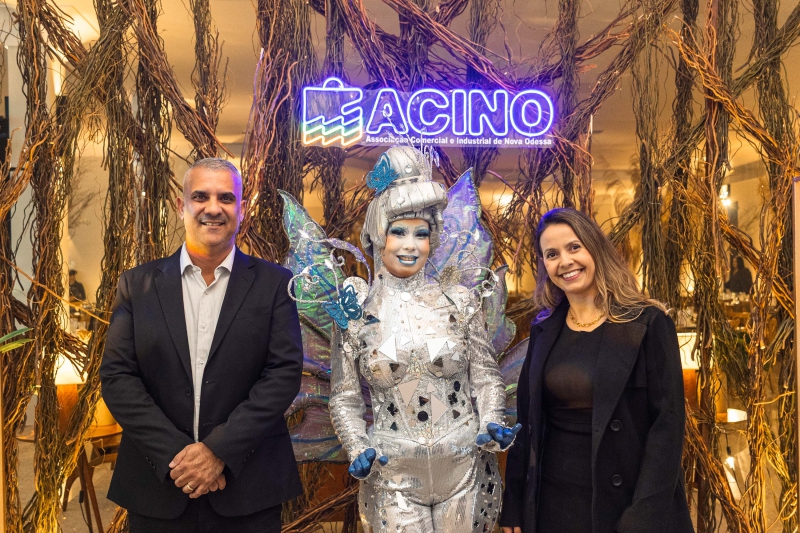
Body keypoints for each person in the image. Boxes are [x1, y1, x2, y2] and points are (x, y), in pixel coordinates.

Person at [100, 158, 304, 532]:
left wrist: (217, 451)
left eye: (226, 198)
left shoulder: (275, 285)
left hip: (248, 489)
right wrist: (179, 457)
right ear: (182, 206)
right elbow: (118, 378)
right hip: (158, 486)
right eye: (200, 196)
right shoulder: (137, 285)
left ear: (242, 209)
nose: (213, 208)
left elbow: (283, 375)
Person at [328, 146, 519, 532]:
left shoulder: (459, 300)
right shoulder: (355, 310)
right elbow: (344, 396)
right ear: (378, 235)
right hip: (393, 476)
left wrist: (491, 421)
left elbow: (485, 377)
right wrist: (358, 447)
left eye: (421, 233)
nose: (410, 245)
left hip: (464, 470)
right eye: (398, 232)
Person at [500, 207, 693, 533]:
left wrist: (641, 518)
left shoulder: (649, 323)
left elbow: (668, 427)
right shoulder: (544, 330)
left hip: (626, 504)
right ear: (545, 265)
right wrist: (515, 505)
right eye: (552, 254)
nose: (565, 261)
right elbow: (527, 422)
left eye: (574, 247)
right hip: (552, 505)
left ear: (595, 248)